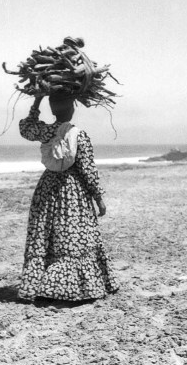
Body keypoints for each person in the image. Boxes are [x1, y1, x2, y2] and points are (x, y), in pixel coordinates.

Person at [17, 91, 119, 302]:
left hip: (48, 187)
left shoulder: (45, 132)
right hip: (73, 191)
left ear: (52, 109)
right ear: (72, 109)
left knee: (47, 234)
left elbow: (26, 127)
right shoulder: (78, 135)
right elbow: (88, 170)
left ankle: (44, 286)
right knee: (74, 236)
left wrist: (37, 100)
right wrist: (98, 198)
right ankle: (78, 287)